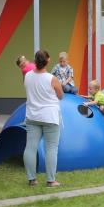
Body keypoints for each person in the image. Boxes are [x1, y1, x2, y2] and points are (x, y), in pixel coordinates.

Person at [23, 50, 63, 187]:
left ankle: (32, 179)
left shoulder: (27, 76)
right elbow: (61, 95)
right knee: (51, 148)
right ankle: (51, 180)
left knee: (30, 147)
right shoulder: (52, 78)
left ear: (35, 60)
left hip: (32, 116)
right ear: (48, 60)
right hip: (50, 116)